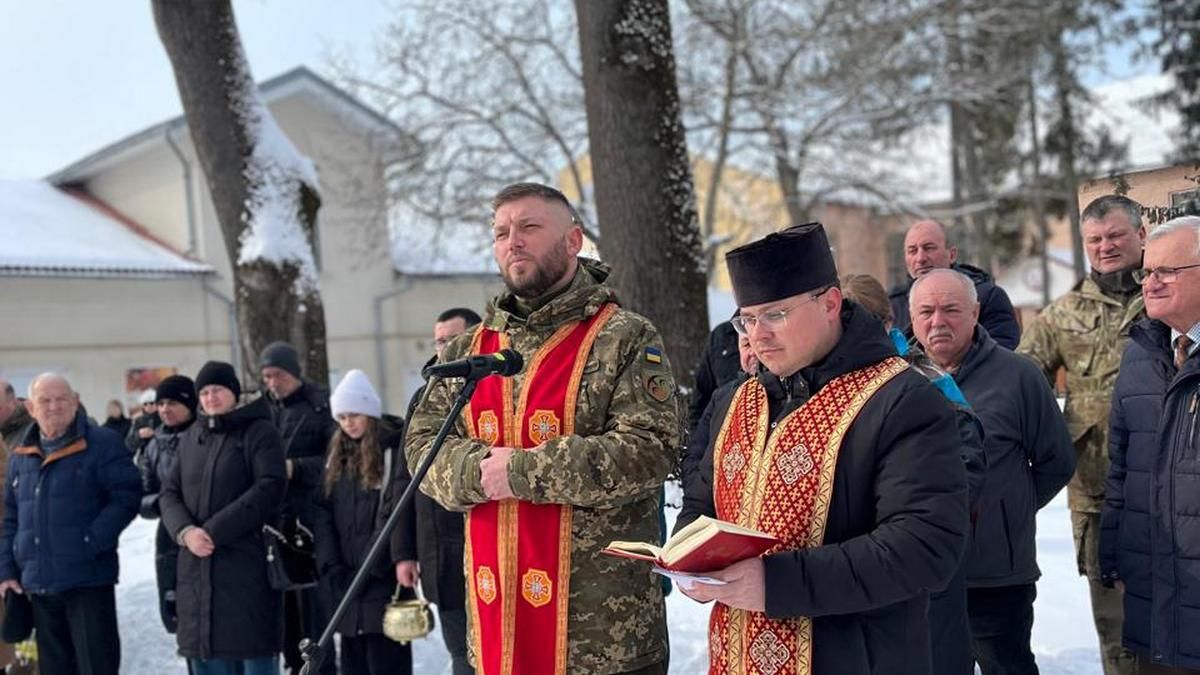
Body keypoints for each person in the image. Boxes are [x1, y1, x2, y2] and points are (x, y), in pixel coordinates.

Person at [406, 182, 679, 675]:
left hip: (600, 642)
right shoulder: (468, 351)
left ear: (573, 241)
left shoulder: (624, 337)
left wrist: (524, 472)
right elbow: (423, 446)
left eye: (530, 227)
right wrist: (476, 471)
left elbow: (650, 449)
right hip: (497, 630)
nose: (513, 241)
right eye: (501, 232)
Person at [677, 223, 970, 675]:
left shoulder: (902, 399)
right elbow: (701, 499)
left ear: (830, 303)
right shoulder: (735, 400)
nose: (758, 335)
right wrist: (689, 557)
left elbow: (924, 546)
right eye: (747, 319)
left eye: (775, 315)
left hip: (857, 656)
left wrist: (775, 583)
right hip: (737, 655)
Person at [910, 268, 1075, 674]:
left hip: (997, 573)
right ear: (911, 318)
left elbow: (1056, 463)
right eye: (926, 311)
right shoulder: (894, 380)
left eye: (951, 309)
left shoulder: (1018, 376)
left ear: (975, 312)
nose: (938, 321)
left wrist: (1007, 510)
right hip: (920, 571)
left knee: (1007, 665)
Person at [1018, 195, 1146, 675]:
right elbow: (1021, 382)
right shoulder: (1062, 314)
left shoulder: (1168, 295)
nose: (1105, 246)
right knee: (1115, 631)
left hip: (1175, 489)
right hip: (1097, 495)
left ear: (1141, 235)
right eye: (1095, 239)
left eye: (1115, 235)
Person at [842, 272, 987, 675]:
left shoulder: (925, 381)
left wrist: (905, 525)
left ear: (887, 324)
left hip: (922, 572)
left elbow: (967, 473)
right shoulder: (839, 381)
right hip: (857, 575)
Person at [1101, 215, 1200, 674]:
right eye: (1147, 271)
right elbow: (1120, 465)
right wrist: (1114, 551)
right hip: (1153, 589)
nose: (1151, 283)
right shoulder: (1139, 352)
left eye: (1167, 271)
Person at [0, 373, 141, 675]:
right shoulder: (20, 455)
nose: (54, 406)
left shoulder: (102, 443)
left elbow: (127, 496)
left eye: (61, 398)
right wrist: (8, 571)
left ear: (75, 402)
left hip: (87, 582)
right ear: (31, 408)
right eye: (45, 400)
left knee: (95, 667)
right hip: (39, 588)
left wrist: (90, 541)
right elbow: (11, 518)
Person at [159, 361, 287, 675]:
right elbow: (169, 493)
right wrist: (185, 531)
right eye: (203, 392)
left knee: (250, 654)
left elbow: (269, 487)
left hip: (245, 567)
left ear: (232, 392)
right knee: (205, 657)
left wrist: (214, 532)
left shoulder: (259, 431)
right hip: (194, 568)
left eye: (217, 390)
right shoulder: (191, 438)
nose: (210, 397)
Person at [387, 307, 480, 675]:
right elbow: (403, 481)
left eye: (450, 339)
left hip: (486, 547)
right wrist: (404, 553)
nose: (441, 348)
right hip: (438, 554)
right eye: (438, 340)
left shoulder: (498, 390)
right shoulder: (423, 398)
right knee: (460, 656)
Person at [313, 370, 414, 675]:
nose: (349, 423)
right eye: (342, 417)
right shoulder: (337, 457)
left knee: (385, 662)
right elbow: (324, 512)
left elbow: (392, 513)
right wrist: (332, 566)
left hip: (380, 580)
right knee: (353, 663)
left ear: (369, 411)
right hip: (345, 582)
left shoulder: (391, 451)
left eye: (354, 414)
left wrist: (368, 569)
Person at [257, 341, 337, 675]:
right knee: (284, 612)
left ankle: (323, 668)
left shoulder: (320, 406)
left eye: (277, 375)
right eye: (265, 377)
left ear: (293, 372)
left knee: (316, 613)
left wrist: (295, 468)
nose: (271, 383)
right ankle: (292, 665)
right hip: (274, 524)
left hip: (312, 521)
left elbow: (336, 461)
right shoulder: (263, 411)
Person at [888, 220, 1021, 349]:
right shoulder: (892, 305)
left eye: (929, 248)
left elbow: (1001, 356)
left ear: (952, 254)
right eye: (912, 251)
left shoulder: (987, 297)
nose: (920, 258)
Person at [137, 375, 198, 636]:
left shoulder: (205, 437)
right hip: (169, 537)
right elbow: (141, 495)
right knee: (176, 613)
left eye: (172, 402)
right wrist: (165, 505)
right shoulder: (153, 445)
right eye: (160, 403)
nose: (164, 409)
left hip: (205, 530)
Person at [687, 320, 741, 434]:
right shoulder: (721, 336)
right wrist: (697, 445)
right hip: (722, 439)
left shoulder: (772, 331)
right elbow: (700, 400)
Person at [127, 389, 161, 457]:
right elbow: (129, 444)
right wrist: (139, 435)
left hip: (163, 457)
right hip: (145, 458)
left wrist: (155, 434)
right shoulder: (139, 421)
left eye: (151, 403)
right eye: (145, 404)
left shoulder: (164, 418)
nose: (148, 406)